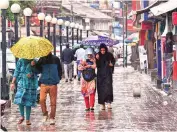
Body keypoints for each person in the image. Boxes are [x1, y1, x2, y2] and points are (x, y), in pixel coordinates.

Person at [35, 52, 62, 125]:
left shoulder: (56, 59)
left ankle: (52, 117)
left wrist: (58, 78)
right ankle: (45, 114)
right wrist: (34, 65)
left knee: (53, 102)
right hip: (44, 82)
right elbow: (38, 70)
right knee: (41, 100)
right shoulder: (41, 59)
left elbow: (60, 69)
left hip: (53, 83)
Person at [10, 59, 38, 125]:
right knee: (20, 99)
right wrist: (13, 82)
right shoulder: (20, 61)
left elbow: (38, 71)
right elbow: (16, 72)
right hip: (21, 83)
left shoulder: (34, 61)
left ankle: (27, 119)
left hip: (30, 84)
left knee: (28, 101)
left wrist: (32, 68)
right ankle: (22, 116)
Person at [96, 43, 115, 110]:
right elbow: (97, 66)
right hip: (100, 75)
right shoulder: (97, 55)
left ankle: (109, 103)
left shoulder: (109, 55)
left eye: (104, 50)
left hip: (108, 75)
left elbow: (113, 61)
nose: (103, 51)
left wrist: (111, 64)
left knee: (108, 89)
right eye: (101, 50)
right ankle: (102, 104)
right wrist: (97, 59)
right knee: (101, 90)